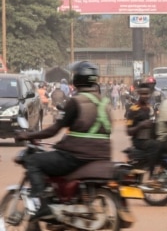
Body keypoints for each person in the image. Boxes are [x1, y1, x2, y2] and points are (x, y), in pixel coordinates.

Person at [15, 61, 112, 220]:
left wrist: (28, 135)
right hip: (102, 155)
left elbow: (54, 130)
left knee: (33, 161)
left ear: (77, 79)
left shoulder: (76, 102)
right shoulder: (105, 102)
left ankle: (41, 205)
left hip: (75, 156)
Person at [126, 79, 160, 176]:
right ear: (138, 94)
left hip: (149, 138)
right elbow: (128, 131)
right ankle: (151, 174)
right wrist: (140, 126)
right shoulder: (133, 109)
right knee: (155, 145)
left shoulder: (150, 107)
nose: (145, 96)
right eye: (143, 94)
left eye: (147, 94)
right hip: (139, 140)